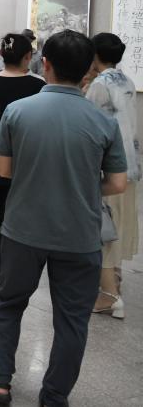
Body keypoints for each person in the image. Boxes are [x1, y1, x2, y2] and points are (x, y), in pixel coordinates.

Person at [0, 30, 128, 407]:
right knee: (72, 320)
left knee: (9, 304)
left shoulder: (18, 111)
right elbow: (117, 183)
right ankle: (55, 396)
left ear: (44, 64)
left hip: (23, 230)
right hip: (80, 235)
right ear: (88, 70)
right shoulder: (103, 122)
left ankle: (1, 383)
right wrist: (82, 185)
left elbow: (3, 170)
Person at [0, 34, 43, 293]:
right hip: (25, 162)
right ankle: (10, 265)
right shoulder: (38, 87)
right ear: (28, 57)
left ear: (1, 55)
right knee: (15, 215)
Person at [86, 33, 141, 319]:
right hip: (130, 167)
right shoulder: (126, 81)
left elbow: (90, 125)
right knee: (117, 228)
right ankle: (115, 283)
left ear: (95, 55)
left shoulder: (100, 85)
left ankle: (109, 296)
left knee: (104, 232)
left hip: (109, 169)